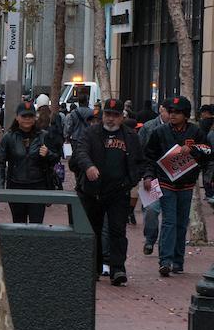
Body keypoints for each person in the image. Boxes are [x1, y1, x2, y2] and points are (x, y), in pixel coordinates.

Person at [72, 99, 145, 286]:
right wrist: (88, 166)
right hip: (92, 191)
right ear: (102, 115)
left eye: (115, 115)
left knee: (117, 231)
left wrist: (130, 182)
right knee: (93, 231)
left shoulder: (130, 136)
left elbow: (139, 162)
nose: (111, 119)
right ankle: (93, 268)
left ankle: (118, 269)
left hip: (118, 192)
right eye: (108, 114)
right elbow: (80, 152)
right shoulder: (91, 132)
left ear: (122, 116)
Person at [142, 96, 213, 277]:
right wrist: (149, 176)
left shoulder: (196, 132)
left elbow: (208, 152)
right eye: (171, 112)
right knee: (169, 221)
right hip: (166, 182)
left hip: (187, 184)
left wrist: (194, 149)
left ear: (186, 115)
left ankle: (177, 261)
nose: (173, 115)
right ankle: (165, 261)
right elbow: (149, 157)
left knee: (181, 223)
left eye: (177, 112)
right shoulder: (159, 132)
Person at [0, 101, 61, 222]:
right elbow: (0, 163)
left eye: (30, 116)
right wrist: (0, 188)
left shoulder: (44, 136)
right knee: (18, 223)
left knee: (37, 225)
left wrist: (48, 154)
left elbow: (56, 159)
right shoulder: (9, 137)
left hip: (38, 186)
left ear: (35, 117)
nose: (27, 119)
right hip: (16, 186)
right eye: (24, 116)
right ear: (17, 117)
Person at [139, 102, 170, 255]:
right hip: (152, 176)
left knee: (169, 217)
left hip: (172, 178)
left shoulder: (181, 129)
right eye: (167, 111)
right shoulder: (149, 127)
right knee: (151, 210)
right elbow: (140, 150)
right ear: (160, 110)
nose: (170, 115)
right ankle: (150, 240)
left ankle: (166, 248)